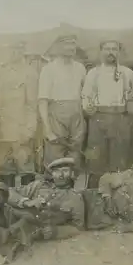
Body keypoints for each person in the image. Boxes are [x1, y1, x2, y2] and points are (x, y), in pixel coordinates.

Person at [82, 39, 133, 187]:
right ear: (101, 52)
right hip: (98, 119)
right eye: (107, 49)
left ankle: (119, 197)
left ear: (119, 52)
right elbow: (86, 96)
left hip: (121, 119)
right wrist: (88, 108)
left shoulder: (128, 73)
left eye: (114, 49)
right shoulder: (93, 73)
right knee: (96, 160)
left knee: (120, 160)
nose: (110, 52)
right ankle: (94, 196)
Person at [0, 41, 39, 187]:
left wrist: (29, 128)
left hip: (21, 128)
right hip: (2, 129)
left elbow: (32, 105)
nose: (14, 52)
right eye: (11, 49)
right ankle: (6, 205)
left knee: (25, 168)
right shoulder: (0, 72)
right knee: (5, 170)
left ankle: (28, 204)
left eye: (18, 49)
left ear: (23, 50)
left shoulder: (29, 73)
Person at [38, 34, 87, 167]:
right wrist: (47, 129)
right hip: (57, 116)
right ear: (58, 47)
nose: (71, 47)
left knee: (75, 156)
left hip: (76, 115)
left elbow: (85, 95)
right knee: (55, 157)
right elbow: (43, 101)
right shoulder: (48, 69)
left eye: (73, 44)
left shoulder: (80, 68)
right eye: (67, 44)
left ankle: (72, 186)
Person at [8, 157, 85, 240]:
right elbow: (8, 192)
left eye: (65, 171)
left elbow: (78, 228)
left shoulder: (75, 197)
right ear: (52, 174)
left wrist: (57, 231)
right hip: (18, 228)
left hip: (41, 238)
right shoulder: (38, 186)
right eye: (56, 171)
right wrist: (26, 202)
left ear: (72, 174)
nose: (61, 175)